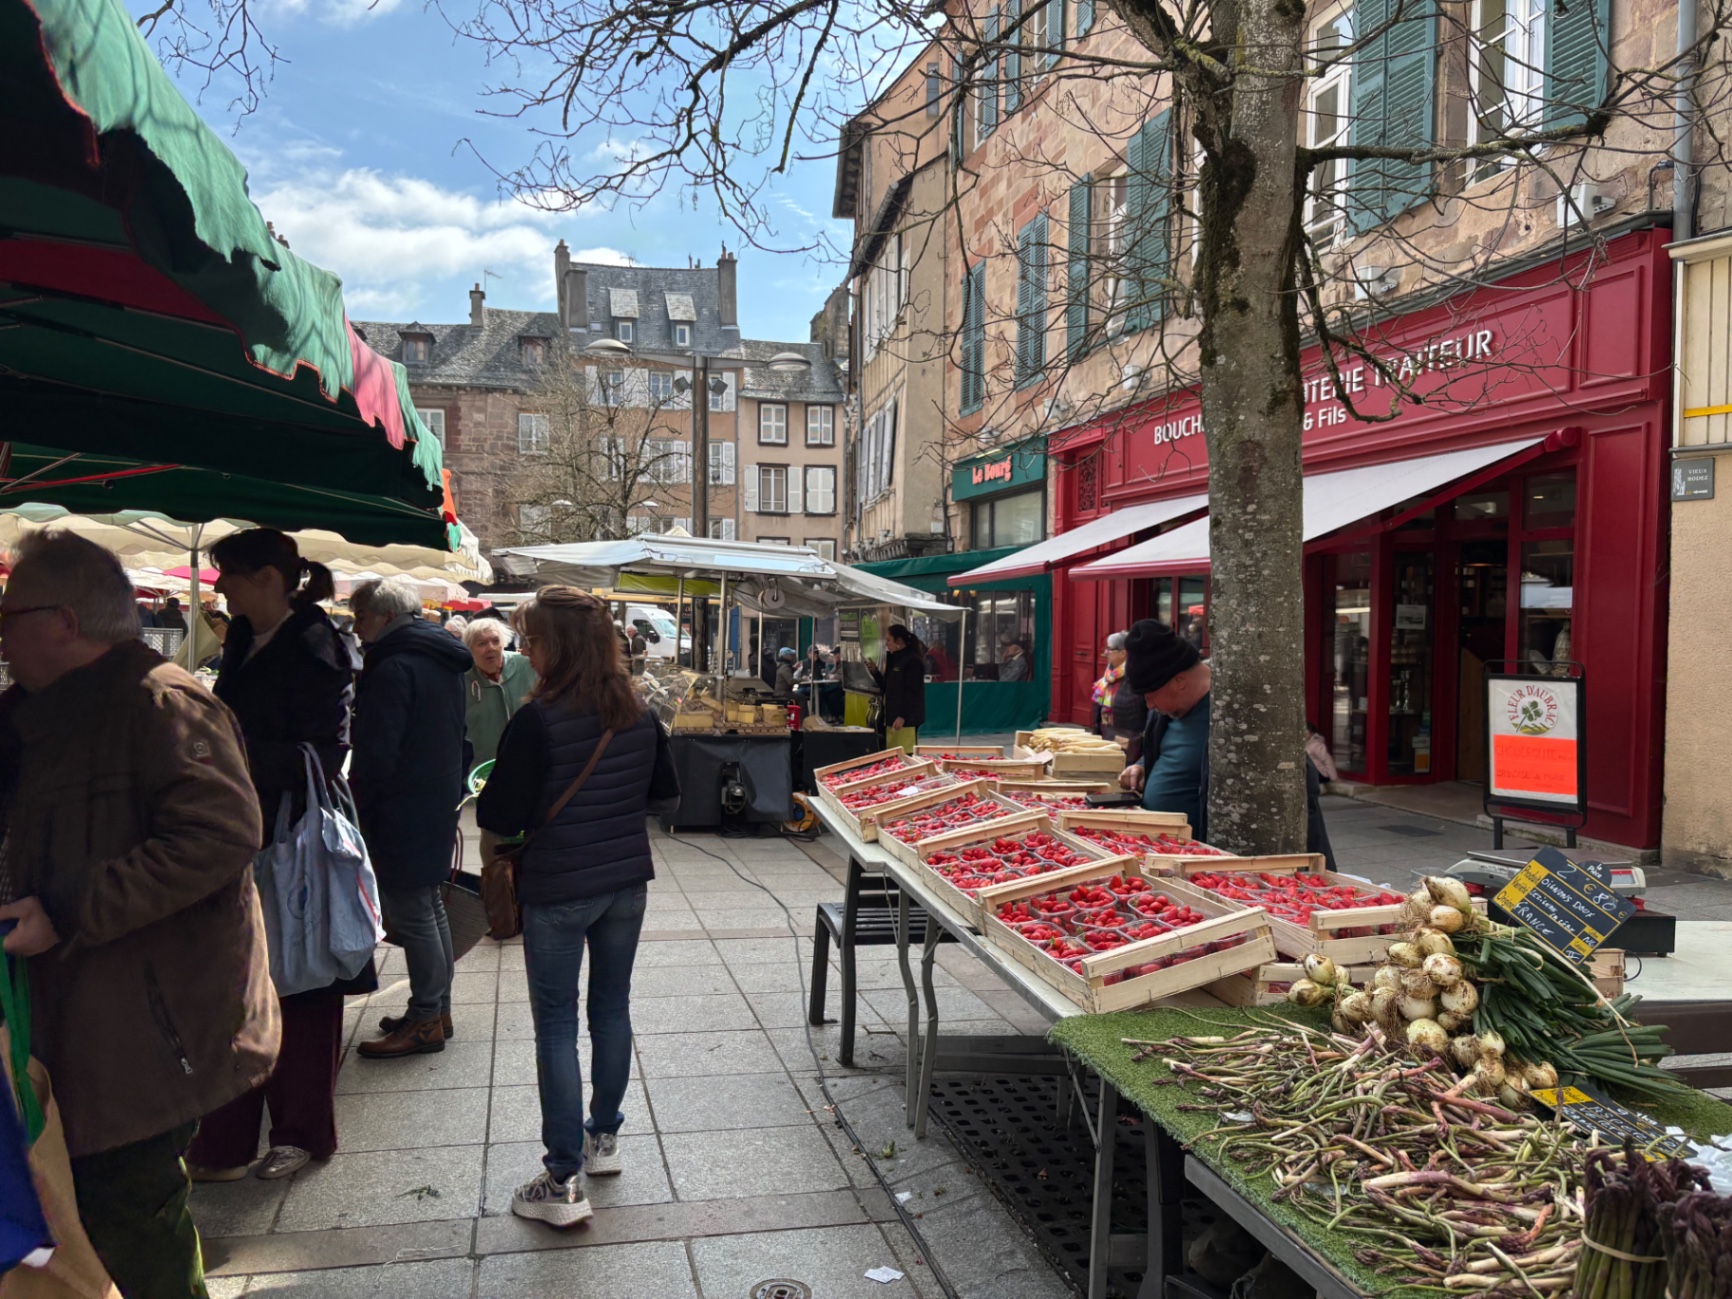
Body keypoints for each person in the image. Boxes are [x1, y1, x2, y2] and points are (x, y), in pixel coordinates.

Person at [0, 531, 277, 1299]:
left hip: (138, 1044)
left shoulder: (162, 702)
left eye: (8, 613)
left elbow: (222, 835)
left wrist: (64, 909)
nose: (1, 630)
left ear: (61, 620)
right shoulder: (33, 713)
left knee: (131, 1225)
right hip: (68, 1026)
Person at [476, 587, 678, 1227]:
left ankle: (561, 1179)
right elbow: (665, 797)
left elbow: (499, 816)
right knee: (612, 1008)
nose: (524, 651)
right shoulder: (639, 712)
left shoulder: (535, 721)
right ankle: (604, 1140)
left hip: (559, 888)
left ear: (556, 646)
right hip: (624, 884)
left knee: (557, 1026)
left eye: (530, 641)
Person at [187, 528, 371, 1183]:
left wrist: (223, 753)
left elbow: (321, 753)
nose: (218, 586)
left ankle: (301, 1133)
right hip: (241, 835)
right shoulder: (240, 636)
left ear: (268, 576)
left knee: (304, 985)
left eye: (228, 574)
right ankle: (226, 1137)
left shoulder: (318, 646)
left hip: (293, 841)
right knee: (237, 984)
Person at [348, 576, 474, 1058]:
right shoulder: (438, 656)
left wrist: (360, 807)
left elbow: (378, 750)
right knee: (428, 906)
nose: (357, 629)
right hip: (434, 794)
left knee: (416, 911)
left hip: (403, 802)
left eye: (360, 617)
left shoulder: (395, 664)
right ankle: (434, 1009)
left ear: (385, 616)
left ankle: (426, 1018)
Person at [1117, 619, 1334, 867]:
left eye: (1150, 696)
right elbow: (1169, 752)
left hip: (1211, 861)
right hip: (1165, 852)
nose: (1149, 705)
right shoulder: (1165, 712)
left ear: (1180, 681)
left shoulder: (1242, 714)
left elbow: (1297, 783)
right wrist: (1144, 765)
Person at [463, 617, 537, 768]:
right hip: (482, 767)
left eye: (496, 641)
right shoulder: (462, 679)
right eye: (481, 643)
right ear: (469, 649)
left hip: (529, 760)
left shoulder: (527, 664)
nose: (490, 648)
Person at [869, 623, 926, 754]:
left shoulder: (913, 661)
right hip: (891, 716)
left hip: (905, 720)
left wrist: (902, 715)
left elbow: (913, 692)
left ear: (899, 641)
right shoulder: (893, 660)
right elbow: (886, 686)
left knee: (905, 755)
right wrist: (875, 672)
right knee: (892, 755)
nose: (886, 644)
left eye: (889, 640)